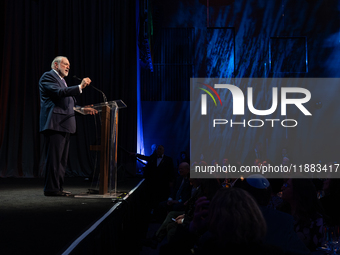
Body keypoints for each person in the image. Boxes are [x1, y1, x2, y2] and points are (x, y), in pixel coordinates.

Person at [39, 56, 97, 196]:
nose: (68, 67)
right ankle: (51, 188)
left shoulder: (62, 81)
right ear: (55, 65)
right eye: (65, 64)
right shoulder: (48, 76)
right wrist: (80, 86)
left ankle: (57, 187)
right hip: (55, 124)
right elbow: (59, 93)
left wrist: (82, 110)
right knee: (54, 159)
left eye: (69, 65)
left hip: (64, 124)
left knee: (62, 161)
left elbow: (67, 104)